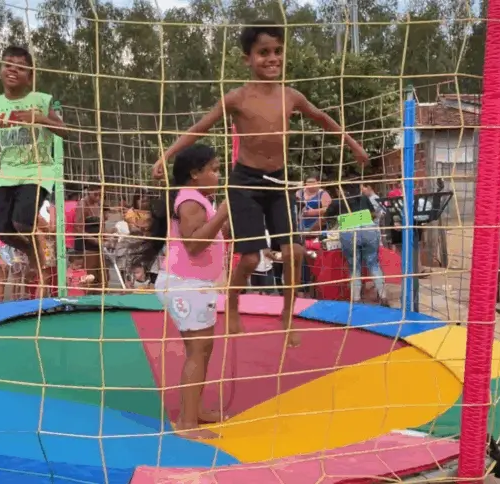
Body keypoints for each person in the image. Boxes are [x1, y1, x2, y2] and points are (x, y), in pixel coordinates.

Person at [153, 21, 369, 347]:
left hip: (278, 181)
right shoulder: (237, 98)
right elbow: (200, 128)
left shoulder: (291, 96)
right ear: (247, 58)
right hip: (246, 182)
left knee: (295, 252)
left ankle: (287, 315)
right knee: (252, 259)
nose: (272, 58)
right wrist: (165, 155)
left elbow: (322, 118)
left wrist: (354, 145)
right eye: (263, 52)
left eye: (278, 51)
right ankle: (233, 301)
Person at [139, 145, 229, 439]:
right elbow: (194, 244)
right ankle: (187, 423)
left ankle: (196, 409)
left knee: (203, 349)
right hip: (186, 284)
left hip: (194, 284)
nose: (218, 175)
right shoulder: (190, 200)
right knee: (197, 351)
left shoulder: (198, 198)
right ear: (195, 173)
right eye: (213, 169)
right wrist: (224, 212)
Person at [0, 45, 68, 283]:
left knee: (22, 221)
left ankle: (39, 256)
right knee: (4, 231)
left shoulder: (41, 101)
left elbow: (65, 131)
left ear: (30, 77)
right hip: (8, 173)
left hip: (38, 170)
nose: (13, 70)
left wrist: (41, 119)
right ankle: (31, 251)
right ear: (0, 71)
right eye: (8, 65)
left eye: (20, 67)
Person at [320, 183, 389, 306]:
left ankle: (356, 299)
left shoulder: (337, 202)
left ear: (339, 189)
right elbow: (373, 215)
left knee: (354, 266)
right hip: (369, 229)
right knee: (373, 263)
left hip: (348, 231)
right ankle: (383, 296)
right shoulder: (363, 198)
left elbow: (327, 218)